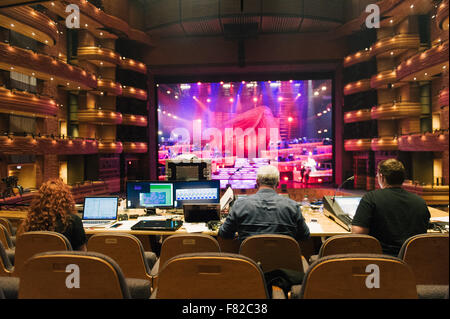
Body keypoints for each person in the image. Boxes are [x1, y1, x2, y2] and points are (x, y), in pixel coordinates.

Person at [352, 158, 430, 256]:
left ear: (382, 177)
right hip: (412, 263)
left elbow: (358, 233)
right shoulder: (420, 202)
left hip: (381, 263)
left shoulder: (371, 198)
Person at [218, 165, 310, 242]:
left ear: (257, 182)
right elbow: (305, 236)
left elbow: (224, 234)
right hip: (284, 262)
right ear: (277, 183)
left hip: (249, 262)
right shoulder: (293, 206)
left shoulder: (239, 205)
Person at [17, 179, 87, 251]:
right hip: (64, 262)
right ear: (66, 199)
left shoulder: (30, 221)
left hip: (35, 261)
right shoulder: (73, 221)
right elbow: (82, 253)